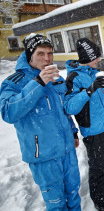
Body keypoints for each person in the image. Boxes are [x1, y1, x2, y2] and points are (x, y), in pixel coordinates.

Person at [0, 33, 81, 211]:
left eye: (50, 53)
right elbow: (8, 113)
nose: (47, 58)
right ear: (30, 55)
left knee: (74, 194)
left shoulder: (57, 78)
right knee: (56, 203)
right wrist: (38, 82)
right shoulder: (14, 82)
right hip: (43, 155)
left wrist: (73, 132)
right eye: (40, 53)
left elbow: (64, 110)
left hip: (67, 151)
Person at [64, 38, 104, 211]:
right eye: (96, 57)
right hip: (93, 132)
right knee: (98, 168)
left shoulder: (93, 73)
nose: (99, 60)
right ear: (87, 58)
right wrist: (88, 91)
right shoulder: (74, 77)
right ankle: (100, 202)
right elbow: (69, 106)